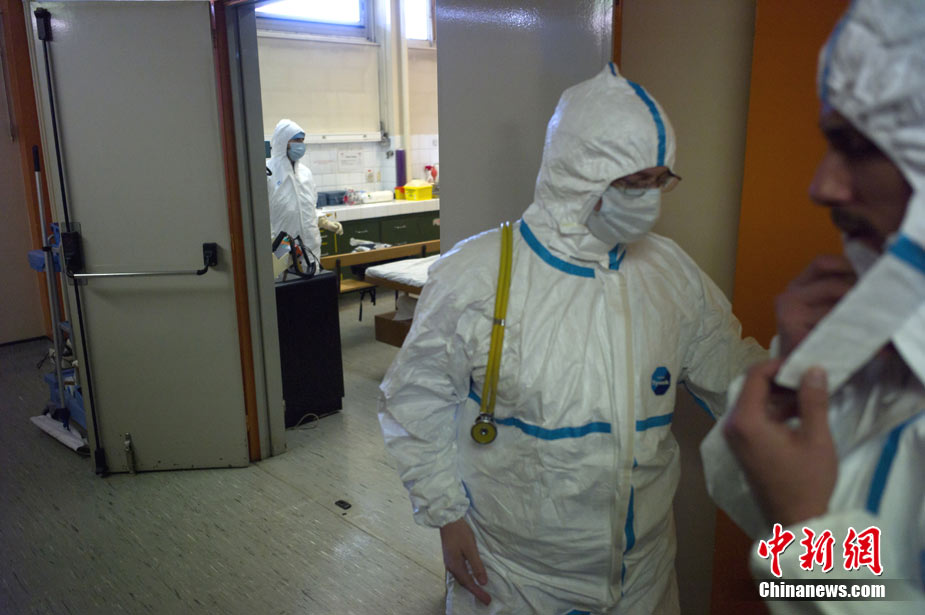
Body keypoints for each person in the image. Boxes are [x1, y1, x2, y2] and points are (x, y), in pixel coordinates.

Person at [378, 63, 766, 614]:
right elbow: (417, 400)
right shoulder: (477, 277)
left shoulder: (670, 274)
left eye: (659, 181)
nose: (650, 200)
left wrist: (818, 394)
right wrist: (446, 517)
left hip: (645, 575)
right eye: (632, 183)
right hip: (515, 577)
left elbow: (730, 368)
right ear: (577, 175)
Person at [701, 0, 925, 611]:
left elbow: (792, 515)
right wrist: (792, 394)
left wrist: (806, 529)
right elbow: (750, 497)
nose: (821, 186)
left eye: (857, 146)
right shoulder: (864, 343)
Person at [267, 118, 342, 270]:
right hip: (282, 245)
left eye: (302, 140)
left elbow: (309, 205)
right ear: (283, 142)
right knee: (285, 280)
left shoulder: (305, 173)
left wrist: (323, 221)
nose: (300, 144)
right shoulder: (268, 173)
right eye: (296, 140)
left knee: (312, 281)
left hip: (310, 244)